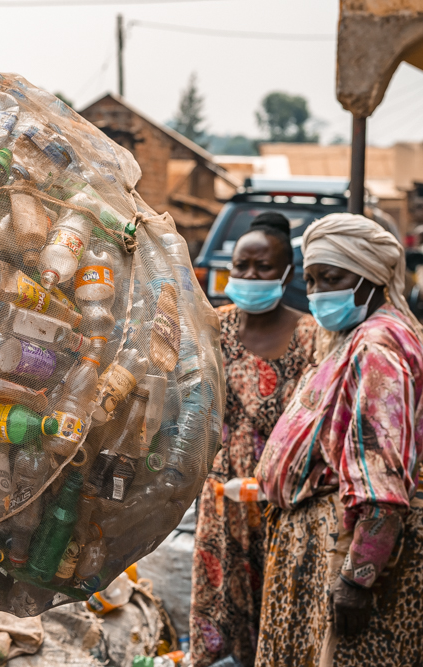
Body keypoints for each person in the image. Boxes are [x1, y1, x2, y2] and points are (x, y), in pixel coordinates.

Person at [255, 213, 423, 665]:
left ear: (370, 277)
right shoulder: (352, 337)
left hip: (342, 549)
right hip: (317, 543)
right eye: (310, 281)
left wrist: (355, 579)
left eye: (331, 278)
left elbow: (382, 481)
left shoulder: (379, 345)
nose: (318, 294)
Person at [188, 213, 317, 666]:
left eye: (263, 267)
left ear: (287, 273)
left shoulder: (309, 336)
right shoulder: (212, 327)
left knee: (279, 612)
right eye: (241, 266)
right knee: (219, 612)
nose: (248, 276)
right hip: (220, 500)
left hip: (282, 502)